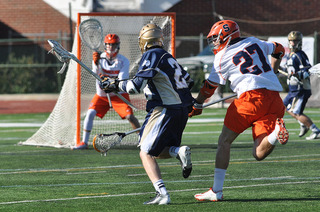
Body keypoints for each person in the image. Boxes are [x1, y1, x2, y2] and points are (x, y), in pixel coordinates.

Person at [189, 20, 289, 202]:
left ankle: (216, 190)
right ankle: (275, 133)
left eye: (217, 39)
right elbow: (279, 49)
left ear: (227, 37)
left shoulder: (222, 57)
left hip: (250, 99)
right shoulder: (254, 41)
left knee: (224, 141)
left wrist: (198, 104)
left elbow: (209, 86)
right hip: (274, 99)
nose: (215, 43)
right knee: (258, 153)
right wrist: (273, 69)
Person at [99, 23, 194, 205]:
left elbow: (135, 86)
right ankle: (177, 151)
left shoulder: (151, 54)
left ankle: (162, 193)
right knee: (156, 152)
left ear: (144, 41)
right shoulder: (167, 56)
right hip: (180, 110)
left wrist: (115, 85)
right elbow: (188, 82)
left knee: (145, 152)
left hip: (165, 109)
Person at [72, 33, 140, 150]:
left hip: (118, 95)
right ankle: (84, 142)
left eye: (113, 45)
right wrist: (96, 63)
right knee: (90, 114)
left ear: (118, 46)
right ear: (105, 45)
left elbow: (121, 79)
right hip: (102, 95)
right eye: (108, 45)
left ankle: (141, 139)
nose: (111, 47)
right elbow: (95, 73)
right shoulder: (99, 58)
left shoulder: (123, 60)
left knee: (130, 116)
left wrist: (107, 80)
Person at [281, 31, 320, 140]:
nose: (293, 43)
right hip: (293, 89)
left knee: (296, 112)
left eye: (295, 41)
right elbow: (288, 69)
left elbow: (308, 69)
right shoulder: (289, 55)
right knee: (284, 107)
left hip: (300, 89)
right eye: (291, 41)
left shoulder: (300, 55)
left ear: (300, 42)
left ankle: (315, 130)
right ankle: (302, 123)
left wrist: (299, 74)